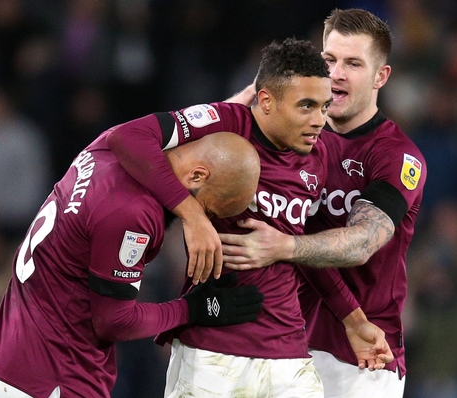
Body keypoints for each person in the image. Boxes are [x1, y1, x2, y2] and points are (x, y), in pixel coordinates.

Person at [106, 37, 345, 397]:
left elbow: (306, 254)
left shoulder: (320, 155)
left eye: (325, 106)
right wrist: (193, 216)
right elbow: (128, 137)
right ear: (265, 101)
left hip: (288, 353)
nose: (319, 120)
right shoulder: (224, 122)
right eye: (306, 106)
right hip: (212, 349)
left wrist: (354, 319)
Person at [0, 130, 265, 397]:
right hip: (47, 379)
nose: (205, 224)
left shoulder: (103, 151)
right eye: (208, 211)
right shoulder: (133, 213)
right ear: (197, 176)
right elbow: (115, 321)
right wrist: (193, 309)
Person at [221, 8, 426, 398]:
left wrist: (284, 246)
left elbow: (364, 241)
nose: (336, 74)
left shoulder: (396, 155)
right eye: (328, 60)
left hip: (359, 357)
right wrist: (242, 105)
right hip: (279, 341)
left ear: (381, 76)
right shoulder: (290, 135)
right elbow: (208, 153)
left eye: (353, 63)